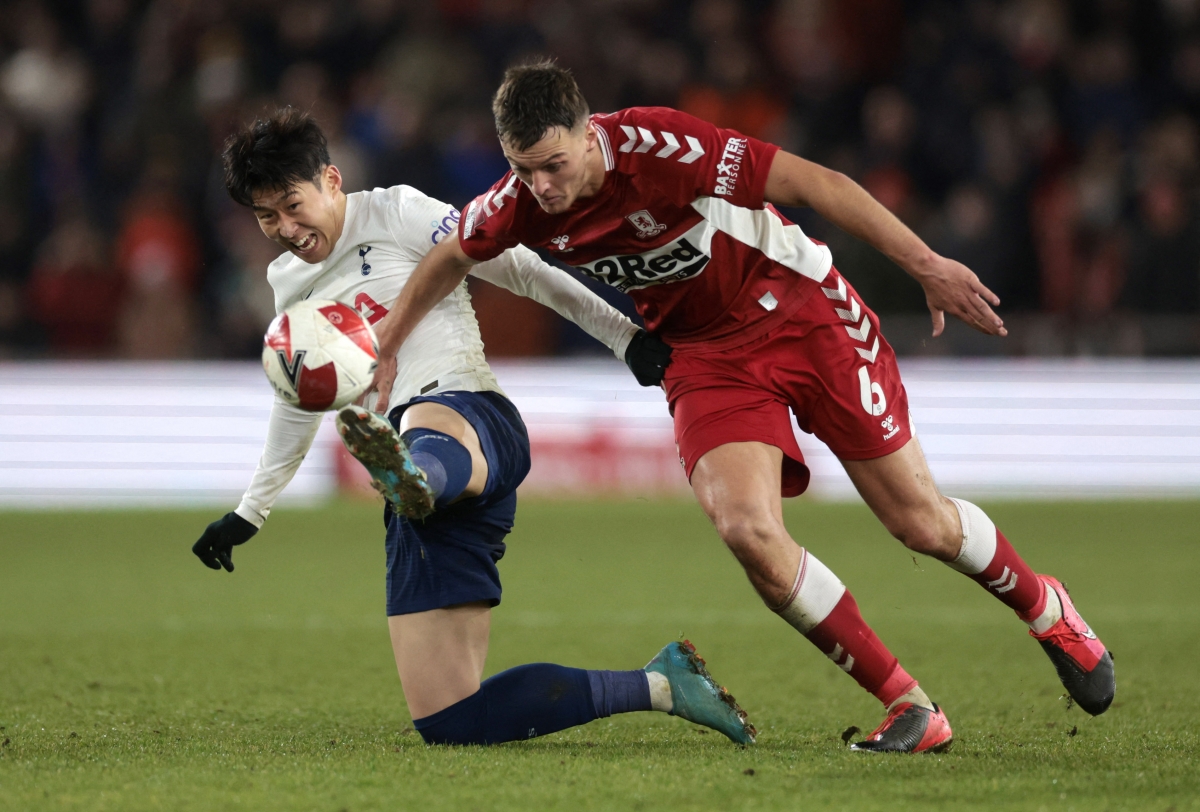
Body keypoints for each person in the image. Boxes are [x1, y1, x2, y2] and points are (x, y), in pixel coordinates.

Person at [366, 62, 1116, 753]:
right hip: (705, 356)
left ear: (589, 135)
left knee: (919, 523)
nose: (542, 188)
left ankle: (1047, 608)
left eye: (554, 165)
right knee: (747, 529)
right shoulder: (518, 204)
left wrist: (926, 265)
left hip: (802, 312)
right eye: (523, 170)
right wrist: (390, 343)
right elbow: (450, 256)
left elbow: (817, 184)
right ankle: (908, 705)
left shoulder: (666, 147)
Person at [190, 107, 755, 747]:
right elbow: (296, 398)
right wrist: (250, 511)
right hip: (420, 488)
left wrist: (623, 339)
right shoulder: (288, 283)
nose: (286, 229)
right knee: (451, 721)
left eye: (293, 205)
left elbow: (516, 266)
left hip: (468, 412)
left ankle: (416, 474)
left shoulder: (397, 211)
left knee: (423, 432)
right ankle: (662, 685)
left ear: (331, 179)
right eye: (267, 217)